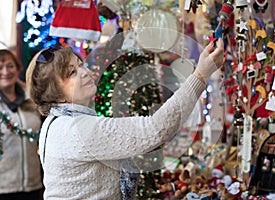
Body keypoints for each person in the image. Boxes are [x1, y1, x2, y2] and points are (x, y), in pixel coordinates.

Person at [25, 39, 224, 199]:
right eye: (72, 73)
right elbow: (156, 129)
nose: (84, 73)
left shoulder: (56, 121)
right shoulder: (77, 128)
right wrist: (201, 74)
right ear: (56, 94)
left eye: (80, 65)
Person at [0, 49, 43, 200]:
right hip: (3, 188)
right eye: (0, 67)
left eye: (10, 66)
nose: (5, 71)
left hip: (33, 185)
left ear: (18, 68)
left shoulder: (32, 99)